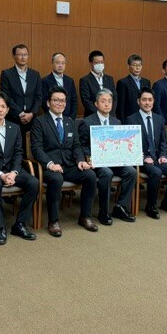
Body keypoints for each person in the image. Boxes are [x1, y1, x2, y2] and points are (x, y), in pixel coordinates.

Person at [31, 86, 97, 237]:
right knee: (56, 179)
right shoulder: (39, 122)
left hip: (69, 165)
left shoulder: (70, 122)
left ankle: (85, 217)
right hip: (49, 167)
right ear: (48, 103)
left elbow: (76, 145)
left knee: (90, 176)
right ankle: (53, 221)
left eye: (63, 101)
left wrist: (81, 160)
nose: (60, 103)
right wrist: (50, 164)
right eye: (56, 100)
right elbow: (36, 149)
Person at [0, 92, 38, 245]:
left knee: (33, 183)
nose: (0, 109)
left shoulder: (15, 128)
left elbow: (18, 153)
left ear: (8, 109)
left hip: (12, 169)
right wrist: (1, 174)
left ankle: (20, 224)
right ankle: (1, 228)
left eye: (3, 106)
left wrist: (14, 172)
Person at [79, 89, 137, 225]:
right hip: (97, 162)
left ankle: (120, 207)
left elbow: (121, 143)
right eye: (103, 101)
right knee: (107, 173)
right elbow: (82, 145)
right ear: (96, 104)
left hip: (114, 160)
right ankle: (104, 211)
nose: (107, 104)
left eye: (109, 101)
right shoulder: (87, 122)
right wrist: (91, 158)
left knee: (131, 171)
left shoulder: (117, 122)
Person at [126, 87, 167, 219]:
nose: (147, 103)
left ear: (153, 101)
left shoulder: (159, 119)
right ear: (138, 101)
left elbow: (163, 141)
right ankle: (150, 206)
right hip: (140, 159)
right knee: (156, 172)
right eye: (144, 100)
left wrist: (163, 155)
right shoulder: (131, 119)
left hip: (157, 158)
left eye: (150, 100)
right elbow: (130, 143)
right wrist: (144, 157)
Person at [0, 44, 42, 147]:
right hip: (14, 118)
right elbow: (6, 96)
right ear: (14, 56)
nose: (23, 57)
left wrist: (31, 113)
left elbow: (39, 97)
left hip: (32, 119)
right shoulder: (6, 74)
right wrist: (20, 113)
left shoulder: (35, 74)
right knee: (16, 147)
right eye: (20, 54)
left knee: (33, 147)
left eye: (25, 54)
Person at [79, 50, 117, 117]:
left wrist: (109, 112)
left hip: (109, 115)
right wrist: (100, 113)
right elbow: (86, 100)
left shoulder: (109, 79)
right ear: (91, 63)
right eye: (97, 62)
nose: (100, 64)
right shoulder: (85, 80)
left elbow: (114, 97)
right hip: (92, 116)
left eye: (101, 62)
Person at [41, 52, 78, 119]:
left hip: (69, 118)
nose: (60, 65)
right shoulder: (45, 81)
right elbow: (44, 102)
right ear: (52, 64)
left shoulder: (70, 80)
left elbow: (74, 100)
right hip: (52, 118)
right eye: (58, 63)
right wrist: (54, 116)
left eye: (63, 63)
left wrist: (71, 117)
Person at [116, 54, 151, 123]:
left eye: (139, 65)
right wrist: (122, 122)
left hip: (144, 118)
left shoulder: (146, 82)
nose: (137, 68)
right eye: (134, 65)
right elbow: (120, 106)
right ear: (128, 66)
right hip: (129, 119)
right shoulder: (123, 82)